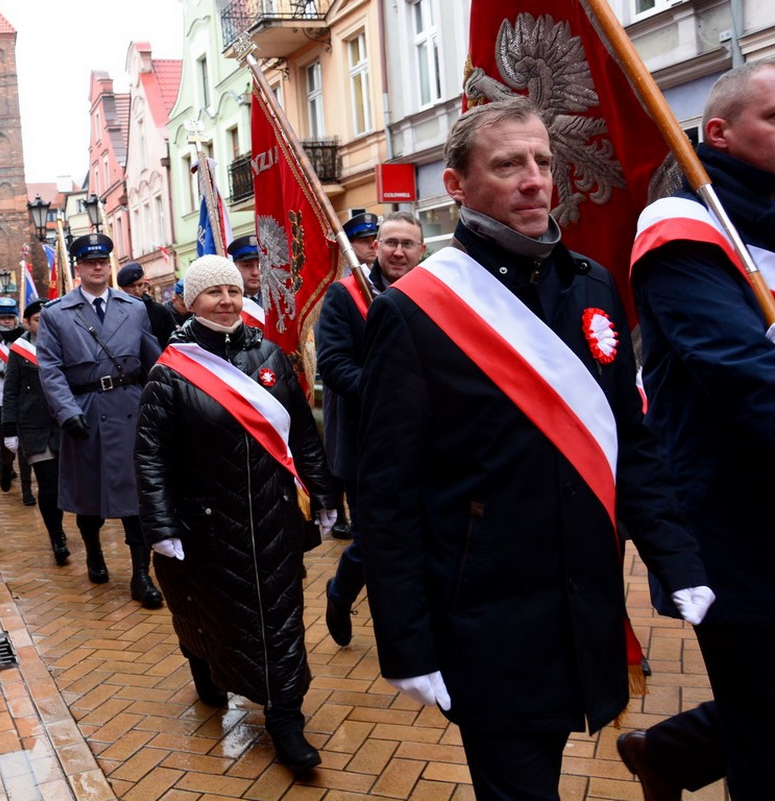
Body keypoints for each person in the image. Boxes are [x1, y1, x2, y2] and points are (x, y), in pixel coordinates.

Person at [356, 97, 711, 801]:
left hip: (584, 599)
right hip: (486, 614)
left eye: (543, 161)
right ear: (456, 184)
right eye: (508, 164)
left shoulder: (593, 284)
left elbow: (631, 442)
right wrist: (407, 641)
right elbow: (386, 493)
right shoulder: (414, 310)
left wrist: (676, 557)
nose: (534, 179)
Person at [622, 60, 775, 801]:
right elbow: (745, 377)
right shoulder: (683, 230)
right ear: (719, 132)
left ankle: (670, 753)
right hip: (740, 528)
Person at [136, 255, 339, 771]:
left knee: (281, 617)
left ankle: (286, 718)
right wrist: (160, 525)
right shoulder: (171, 370)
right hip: (207, 523)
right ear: (192, 301)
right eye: (213, 292)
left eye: (232, 290)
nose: (226, 300)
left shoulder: (269, 355)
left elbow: (302, 433)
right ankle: (203, 661)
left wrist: (323, 494)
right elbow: (151, 456)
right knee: (215, 612)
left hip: (273, 517)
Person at [38, 232, 164, 608]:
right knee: (88, 495)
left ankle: (141, 575)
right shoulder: (56, 313)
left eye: (102, 262)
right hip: (86, 412)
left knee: (137, 499)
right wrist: (67, 411)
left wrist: (161, 405)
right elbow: (50, 369)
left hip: (129, 410)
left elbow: (153, 361)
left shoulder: (134, 308)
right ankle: (93, 551)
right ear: (77, 268)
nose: (97, 267)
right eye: (89, 262)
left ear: (109, 266)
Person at [318, 211, 426, 647]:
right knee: (373, 539)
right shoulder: (345, 295)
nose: (399, 252)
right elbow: (333, 364)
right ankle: (340, 593)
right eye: (391, 243)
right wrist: (389, 395)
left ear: (421, 250)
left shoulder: (433, 292)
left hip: (423, 439)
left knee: (420, 533)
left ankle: (413, 622)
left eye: (408, 244)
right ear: (376, 247)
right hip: (366, 440)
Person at [2, 298, 70, 565]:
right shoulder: (20, 351)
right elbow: (11, 391)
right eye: (39, 320)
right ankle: (57, 536)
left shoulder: (65, 344)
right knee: (48, 484)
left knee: (67, 483)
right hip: (35, 427)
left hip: (65, 424)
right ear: (27, 323)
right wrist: (9, 428)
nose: (45, 323)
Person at [0, 296, 33, 502]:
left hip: (24, 401)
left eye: (10, 317)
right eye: (3, 318)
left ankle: (27, 490)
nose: (7, 321)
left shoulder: (25, 342)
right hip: (0, 402)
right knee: (6, 446)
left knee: (24, 446)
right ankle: (5, 468)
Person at [117, 262, 176, 348]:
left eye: (140, 285)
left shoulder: (159, 311)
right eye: (132, 286)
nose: (137, 290)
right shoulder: (115, 312)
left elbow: (173, 341)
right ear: (123, 288)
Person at [227, 234, 262, 304]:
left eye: (260, 266)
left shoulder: (278, 297)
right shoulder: (227, 301)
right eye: (248, 266)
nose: (255, 272)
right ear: (235, 267)